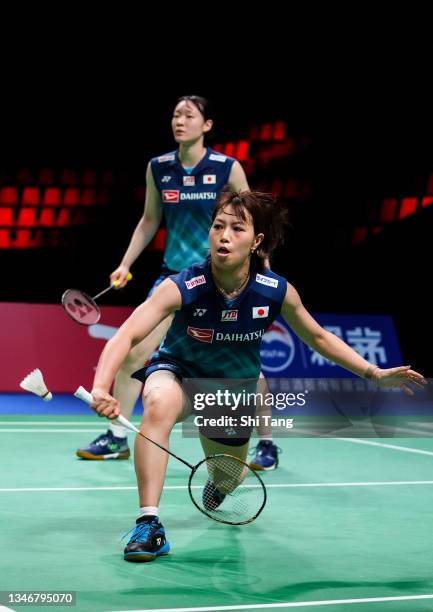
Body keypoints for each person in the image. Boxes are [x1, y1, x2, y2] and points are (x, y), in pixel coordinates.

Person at [89, 190, 426, 562]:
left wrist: (372, 373)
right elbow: (127, 335)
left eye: (236, 228)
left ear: (256, 241)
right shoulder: (184, 286)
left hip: (231, 391)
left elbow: (317, 337)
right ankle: (149, 523)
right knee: (157, 403)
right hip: (179, 374)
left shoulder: (274, 291)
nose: (224, 236)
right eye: (218, 226)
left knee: (230, 480)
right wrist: (101, 387)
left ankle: (219, 483)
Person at [76, 95, 280, 469]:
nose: (179, 120)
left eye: (189, 115)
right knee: (134, 350)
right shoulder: (159, 168)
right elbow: (149, 219)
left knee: (243, 360)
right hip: (174, 278)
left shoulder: (226, 168)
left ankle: (266, 442)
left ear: (207, 125)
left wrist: (261, 272)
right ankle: (117, 436)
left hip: (221, 278)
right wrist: (125, 264)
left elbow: (253, 221)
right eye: (175, 115)